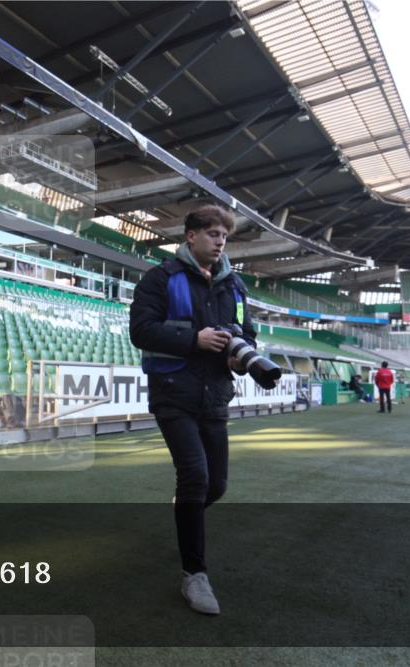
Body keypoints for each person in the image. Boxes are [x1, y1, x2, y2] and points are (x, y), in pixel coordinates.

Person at [129, 204, 255, 616]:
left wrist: (240, 356)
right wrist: (193, 340)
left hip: (215, 396)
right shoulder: (160, 278)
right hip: (173, 395)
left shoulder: (234, 285)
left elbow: (248, 332)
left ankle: (185, 511)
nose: (220, 242)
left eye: (225, 236)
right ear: (191, 235)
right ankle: (194, 575)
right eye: (214, 234)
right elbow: (140, 331)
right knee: (195, 477)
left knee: (215, 485)